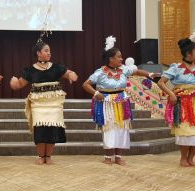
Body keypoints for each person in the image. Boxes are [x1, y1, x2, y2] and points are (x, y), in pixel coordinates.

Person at [82, 36, 158, 166]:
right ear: (111, 59)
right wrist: (96, 93)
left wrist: (149, 74)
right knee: (109, 128)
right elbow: (85, 84)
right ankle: (107, 156)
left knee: (122, 128)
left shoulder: (123, 69)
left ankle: (118, 156)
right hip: (106, 103)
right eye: (119, 57)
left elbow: (137, 71)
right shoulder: (100, 72)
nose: (121, 59)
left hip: (122, 102)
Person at [10, 41, 78, 165]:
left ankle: (49, 156)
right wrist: (13, 83)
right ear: (38, 53)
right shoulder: (30, 70)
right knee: (40, 128)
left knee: (52, 128)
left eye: (49, 51)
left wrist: (72, 75)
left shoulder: (57, 67)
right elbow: (19, 84)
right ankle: (41, 156)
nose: (49, 53)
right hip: (38, 104)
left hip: (54, 104)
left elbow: (69, 73)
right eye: (46, 50)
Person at [157, 35, 195, 167]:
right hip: (183, 104)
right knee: (185, 131)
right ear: (188, 54)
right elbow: (161, 82)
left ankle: (191, 158)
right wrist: (171, 94)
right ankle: (183, 158)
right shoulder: (176, 67)